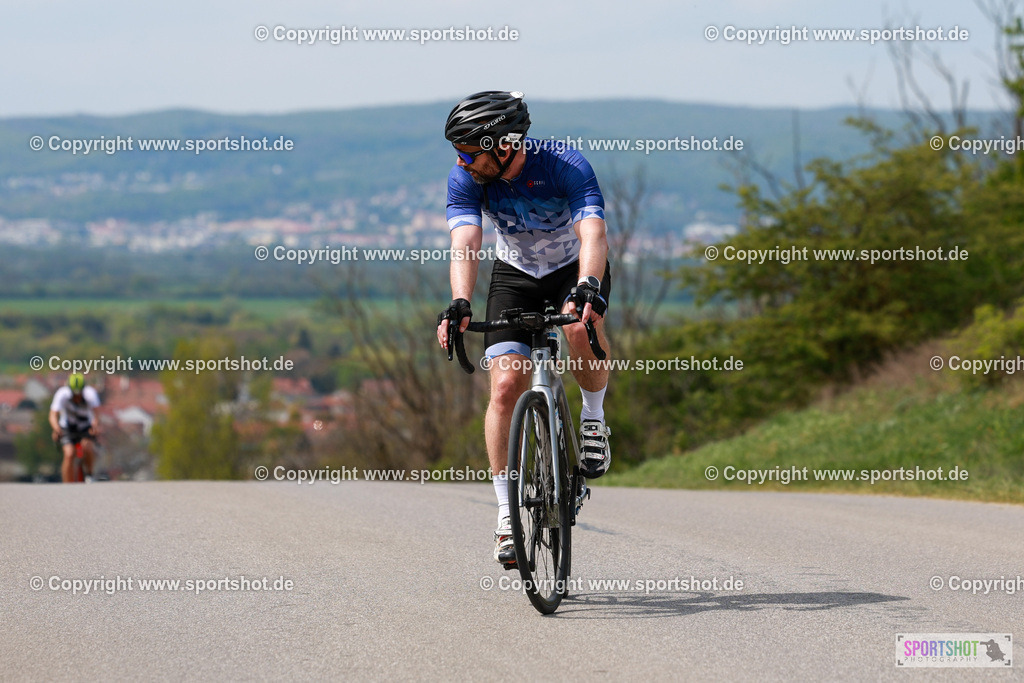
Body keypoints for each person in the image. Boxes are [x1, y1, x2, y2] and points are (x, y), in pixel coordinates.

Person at [435, 91, 613, 566]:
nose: (462, 161)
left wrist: (588, 286)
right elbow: (466, 241)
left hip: (574, 269)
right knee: (505, 387)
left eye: (471, 151)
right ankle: (506, 514)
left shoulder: (565, 165)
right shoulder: (466, 177)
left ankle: (593, 417)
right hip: (515, 275)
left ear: (504, 144)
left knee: (578, 330)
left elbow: (593, 233)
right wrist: (460, 302)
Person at [49, 373, 101, 483]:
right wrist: (56, 428)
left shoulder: (90, 394)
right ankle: (68, 484)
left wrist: (95, 427)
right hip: (67, 427)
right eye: (74, 394)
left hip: (85, 426)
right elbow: (53, 414)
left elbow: (96, 415)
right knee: (69, 454)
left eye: (79, 394)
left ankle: (89, 474)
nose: (77, 397)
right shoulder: (62, 394)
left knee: (87, 447)